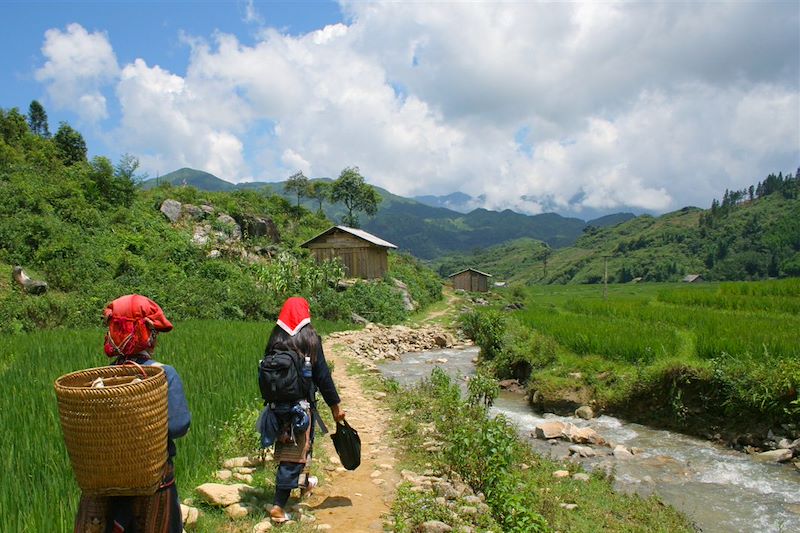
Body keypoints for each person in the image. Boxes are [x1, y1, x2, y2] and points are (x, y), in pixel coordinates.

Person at [74, 294, 191, 533]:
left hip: (107, 484)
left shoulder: (100, 379)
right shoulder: (162, 375)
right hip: (153, 483)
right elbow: (179, 425)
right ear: (149, 336)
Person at [261, 296, 345, 523]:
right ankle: (278, 507)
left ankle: (304, 484)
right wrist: (335, 406)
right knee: (293, 453)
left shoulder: (275, 337)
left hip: (276, 406)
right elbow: (323, 376)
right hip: (300, 406)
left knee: (296, 446)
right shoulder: (310, 338)